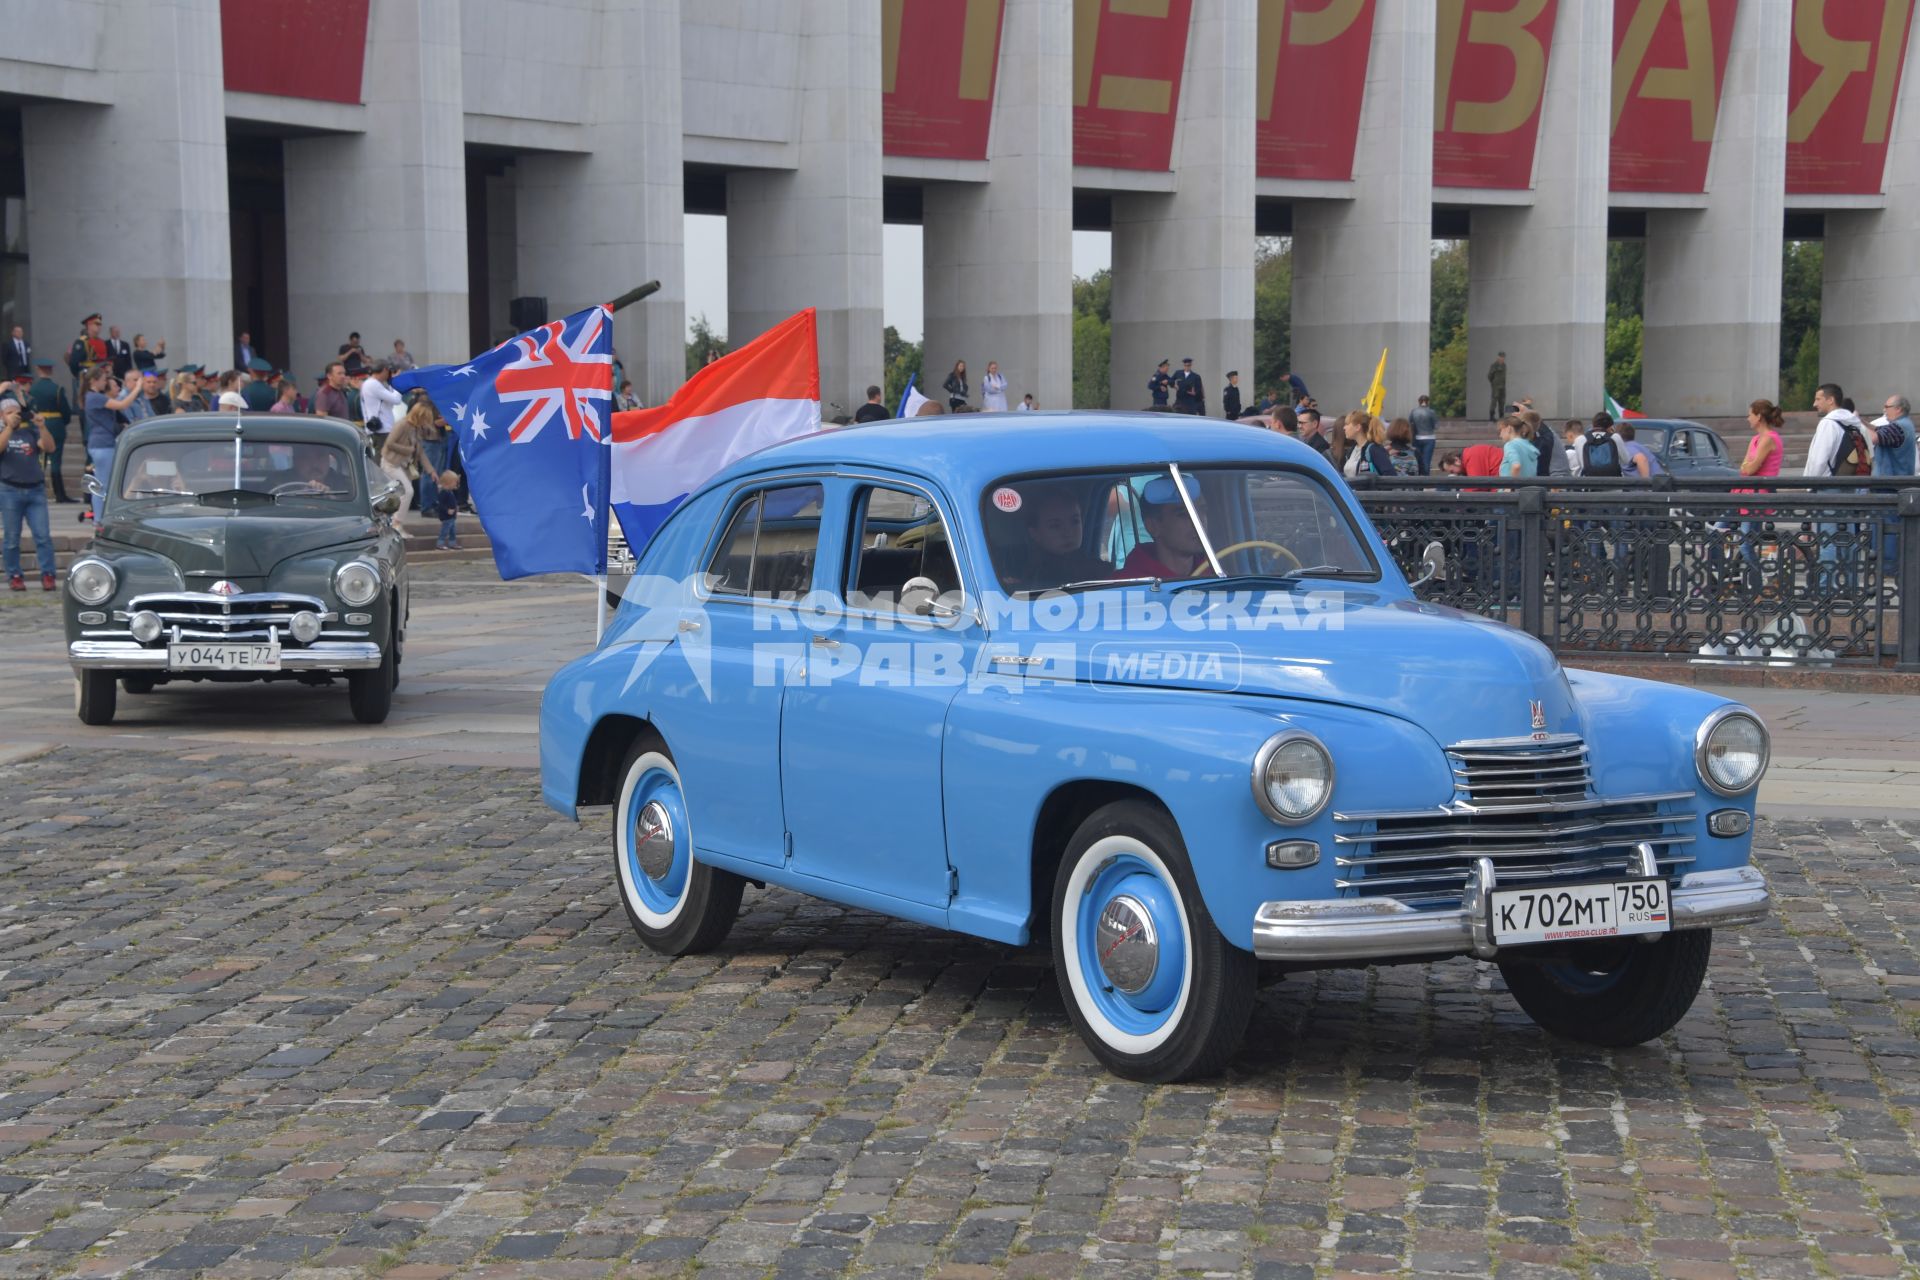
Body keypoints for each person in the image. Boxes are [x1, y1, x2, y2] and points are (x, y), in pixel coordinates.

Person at [0, 398, 55, 591]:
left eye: (17, 412)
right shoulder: (3, 433)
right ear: (2, 416)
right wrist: (9, 427)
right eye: (9, 412)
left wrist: (42, 427)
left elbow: (49, 447)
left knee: (43, 536)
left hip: (35, 491)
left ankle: (48, 574)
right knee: (12, 538)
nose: (15, 416)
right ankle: (14, 575)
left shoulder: (30, 432)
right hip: (9, 491)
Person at [1117, 473, 1211, 579]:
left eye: (1202, 511)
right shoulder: (1124, 587)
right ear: (1153, 526)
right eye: (1183, 514)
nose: (1199, 521)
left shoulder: (1219, 576)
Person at [1010, 487, 1104, 588]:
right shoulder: (1042, 574)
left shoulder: (1083, 562)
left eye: (1075, 521)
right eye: (1055, 526)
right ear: (1035, 533)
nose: (1068, 532)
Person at [82, 366, 140, 523]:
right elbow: (123, 405)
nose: (104, 383)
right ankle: (99, 520)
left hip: (103, 443)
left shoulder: (93, 397)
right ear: (94, 381)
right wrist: (137, 388)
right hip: (102, 444)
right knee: (103, 485)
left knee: (104, 484)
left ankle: (101, 518)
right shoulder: (95, 397)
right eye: (102, 380)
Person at [381, 398, 452, 512]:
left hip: (404, 465)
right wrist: (408, 450)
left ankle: (397, 522)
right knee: (408, 492)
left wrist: (431, 471)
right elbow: (389, 444)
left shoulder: (416, 428)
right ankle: (397, 522)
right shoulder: (403, 424)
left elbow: (420, 452)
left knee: (403, 493)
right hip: (392, 463)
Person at [28, 360, 73, 504]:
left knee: (40, 461)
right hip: (56, 424)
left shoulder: (32, 389)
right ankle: (60, 494)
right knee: (55, 462)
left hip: (38, 424)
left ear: (38, 369)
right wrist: (61, 422)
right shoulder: (57, 389)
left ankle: (38, 491)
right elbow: (66, 412)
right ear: (51, 371)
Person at [1340, 412, 1394, 480]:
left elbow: (1390, 475)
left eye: (1347, 424)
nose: (1344, 427)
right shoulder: (1352, 450)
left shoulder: (1374, 449)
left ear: (1357, 427)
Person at [360, 361, 404, 442]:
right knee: (382, 454)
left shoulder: (370, 383)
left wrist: (391, 382)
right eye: (388, 372)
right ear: (384, 370)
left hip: (381, 428)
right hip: (381, 430)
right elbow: (396, 400)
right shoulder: (373, 384)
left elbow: (391, 402)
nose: (389, 374)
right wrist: (398, 383)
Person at [1872, 395, 1915, 476]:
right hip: (1897, 483)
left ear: (1898, 409)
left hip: (1891, 485)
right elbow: (1877, 429)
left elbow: (1874, 438)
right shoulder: (1904, 423)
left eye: (1887, 407)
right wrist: (1861, 421)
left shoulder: (1898, 427)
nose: (1884, 410)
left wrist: (1857, 423)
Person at [67, 313, 107, 398]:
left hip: (99, 377)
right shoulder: (81, 342)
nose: (99, 327)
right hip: (85, 377)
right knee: (83, 402)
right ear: (89, 325)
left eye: (100, 324)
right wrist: (80, 375)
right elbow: (73, 363)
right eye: (96, 324)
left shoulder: (101, 342)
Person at [1578, 412, 1625, 477]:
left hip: (1589, 481)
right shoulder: (1615, 437)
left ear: (1593, 425)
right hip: (1613, 481)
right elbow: (1626, 460)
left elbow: (1582, 464)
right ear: (1610, 426)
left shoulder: (1581, 439)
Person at [1408, 394, 1438, 475]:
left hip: (1417, 438)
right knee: (1426, 460)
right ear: (1428, 402)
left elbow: (1409, 423)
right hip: (1429, 438)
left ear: (1419, 402)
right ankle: (1426, 480)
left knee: (1417, 459)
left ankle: (1418, 477)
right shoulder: (1431, 412)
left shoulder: (1413, 411)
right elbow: (1436, 426)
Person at [433, 469, 462, 550]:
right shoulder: (443, 493)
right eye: (455, 482)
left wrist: (456, 509)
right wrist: (447, 510)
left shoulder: (450, 492)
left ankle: (452, 543)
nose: (456, 484)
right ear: (448, 483)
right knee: (445, 530)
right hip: (446, 516)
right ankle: (440, 543)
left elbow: (452, 502)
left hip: (452, 517)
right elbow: (441, 504)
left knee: (452, 531)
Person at [1487, 351, 1507, 422]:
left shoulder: (1504, 365)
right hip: (1496, 387)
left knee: (1502, 402)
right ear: (1498, 357)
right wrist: (1494, 383)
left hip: (1502, 386)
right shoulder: (1494, 365)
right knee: (1494, 401)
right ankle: (1491, 416)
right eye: (1501, 357)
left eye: (1503, 357)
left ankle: (1501, 416)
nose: (1502, 358)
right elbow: (1489, 376)